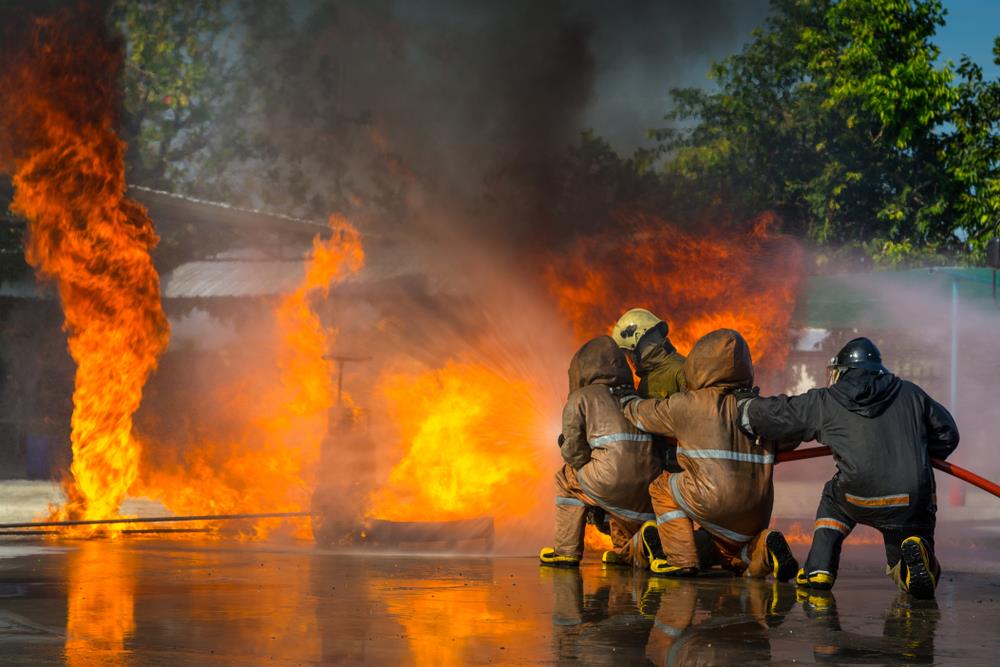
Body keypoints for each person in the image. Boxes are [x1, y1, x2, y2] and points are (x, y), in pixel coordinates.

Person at [737, 337, 959, 599]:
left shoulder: (827, 400)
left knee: (833, 498)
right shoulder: (911, 393)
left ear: (842, 371)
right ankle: (914, 558)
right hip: (910, 500)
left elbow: (782, 413)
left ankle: (819, 569)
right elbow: (948, 434)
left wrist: (745, 408)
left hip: (857, 496)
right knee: (908, 556)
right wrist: (914, 454)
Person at [619, 329, 800, 579]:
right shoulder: (756, 408)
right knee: (731, 554)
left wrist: (626, 399)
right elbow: (790, 439)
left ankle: (681, 559)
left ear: (698, 365)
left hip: (712, 500)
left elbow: (643, 414)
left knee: (661, 487)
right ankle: (766, 545)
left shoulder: (687, 404)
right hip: (756, 511)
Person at [540, 336, 662, 568]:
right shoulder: (639, 397)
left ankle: (566, 551)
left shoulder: (581, 398)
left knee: (566, 478)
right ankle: (633, 543)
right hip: (648, 486)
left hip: (609, 480)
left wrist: (584, 463)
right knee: (625, 543)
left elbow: (574, 452)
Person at [611, 308, 685, 399]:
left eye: (628, 352)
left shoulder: (682, 370)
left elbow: (692, 406)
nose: (630, 359)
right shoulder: (646, 380)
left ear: (636, 341)